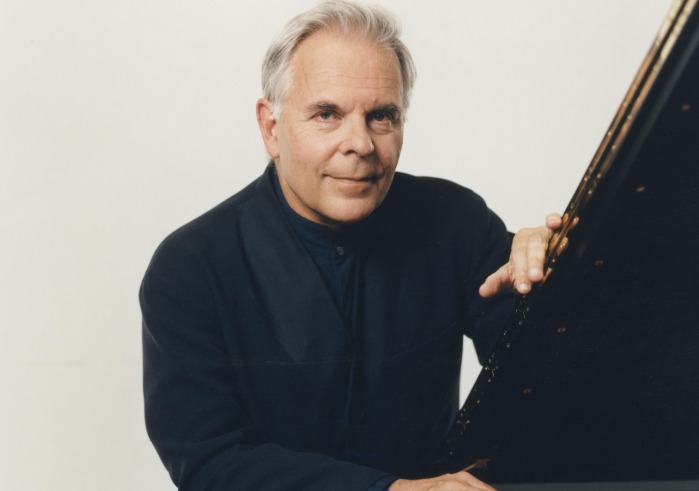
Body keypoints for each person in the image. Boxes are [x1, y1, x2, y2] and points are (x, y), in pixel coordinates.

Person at [140, 1, 560, 490]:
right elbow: (211, 462)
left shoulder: (457, 221)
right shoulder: (189, 268)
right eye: (326, 114)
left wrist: (560, 277)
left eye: (381, 116)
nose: (360, 143)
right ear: (271, 128)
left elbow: (547, 391)